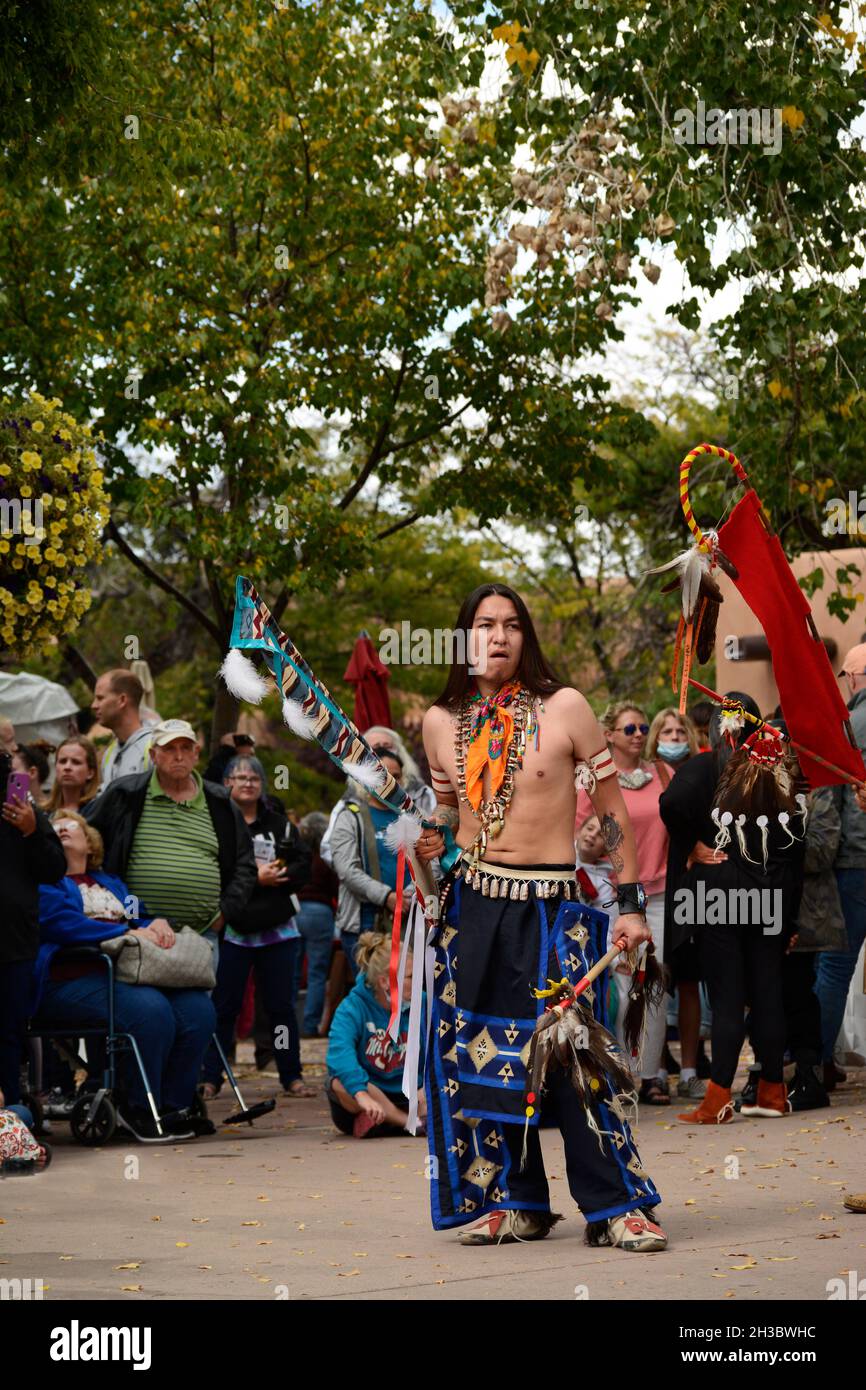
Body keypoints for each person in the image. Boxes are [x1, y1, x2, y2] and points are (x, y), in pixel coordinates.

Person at [420, 582, 666, 1251]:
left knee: (577, 1061)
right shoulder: (439, 721)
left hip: (552, 908)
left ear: (526, 637)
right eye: (483, 624)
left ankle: (618, 1205)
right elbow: (445, 817)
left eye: (511, 625)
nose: (498, 636)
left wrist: (632, 904)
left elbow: (613, 812)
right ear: (463, 636)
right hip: (470, 907)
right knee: (485, 1060)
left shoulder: (565, 708)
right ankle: (516, 1200)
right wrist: (423, 845)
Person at [659, 693, 806, 1124]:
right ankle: (773, 1093)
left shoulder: (703, 768)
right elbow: (797, 849)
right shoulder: (775, 775)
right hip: (769, 897)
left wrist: (692, 845)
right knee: (766, 992)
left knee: (726, 996)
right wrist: (791, 914)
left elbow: (670, 805)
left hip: (717, 895)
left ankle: (718, 1097)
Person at [35, 812, 215, 1141]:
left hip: (127, 974)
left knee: (197, 1010)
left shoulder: (112, 884)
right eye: (54, 826)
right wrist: (123, 930)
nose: (60, 827)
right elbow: (60, 923)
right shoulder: (48, 884)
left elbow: (138, 913)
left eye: (70, 825)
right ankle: (139, 1109)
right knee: (150, 1010)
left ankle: (173, 1107)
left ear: (89, 843)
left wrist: (154, 923)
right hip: (70, 978)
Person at [85, 719, 257, 974]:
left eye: (186, 748)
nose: (178, 756)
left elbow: (245, 864)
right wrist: (126, 913)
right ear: (153, 755)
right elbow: (87, 839)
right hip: (138, 931)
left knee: (197, 1012)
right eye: (169, 749)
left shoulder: (219, 802)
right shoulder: (126, 793)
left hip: (201, 933)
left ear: (196, 754)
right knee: (145, 1010)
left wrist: (222, 914)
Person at [200, 755, 315, 1100]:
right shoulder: (216, 823)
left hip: (278, 931)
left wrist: (280, 875)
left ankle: (290, 1074)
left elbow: (303, 866)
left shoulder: (279, 824)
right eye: (239, 776)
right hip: (234, 931)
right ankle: (211, 1076)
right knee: (224, 1008)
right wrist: (254, 878)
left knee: (280, 1008)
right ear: (226, 784)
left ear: (262, 785)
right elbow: (213, 873)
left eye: (254, 778)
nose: (247, 782)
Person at [576, 702, 672, 1106]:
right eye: (628, 727)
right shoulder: (592, 781)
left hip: (661, 892)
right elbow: (579, 838)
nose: (637, 733)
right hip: (611, 895)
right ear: (609, 735)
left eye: (642, 726)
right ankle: (618, 1073)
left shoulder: (663, 774)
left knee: (652, 985)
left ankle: (649, 1074)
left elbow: (684, 820)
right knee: (618, 987)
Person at [0, 749, 66, 1111]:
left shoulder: (23, 812)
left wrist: (31, 831)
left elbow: (54, 869)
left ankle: (11, 1121)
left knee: (9, 1035)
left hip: (13, 946)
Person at [815, 642, 866, 1092]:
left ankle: (814, 1065)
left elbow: (827, 800)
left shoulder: (847, 727)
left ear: (854, 679)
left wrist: (820, 862)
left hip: (855, 863)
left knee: (835, 966)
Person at [326, 930, 425, 1137]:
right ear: (385, 982)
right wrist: (361, 1094)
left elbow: (440, 1051)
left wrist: (427, 1089)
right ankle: (409, 1123)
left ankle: (389, 1121)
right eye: (410, 977)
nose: (418, 982)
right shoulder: (352, 1007)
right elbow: (339, 1055)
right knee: (337, 1083)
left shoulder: (423, 1003)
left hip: (410, 1096)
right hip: (369, 1096)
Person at [330, 747, 413, 979]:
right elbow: (346, 869)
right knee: (372, 992)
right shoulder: (350, 816)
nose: (389, 780)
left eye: (395, 776)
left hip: (408, 921)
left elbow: (431, 863)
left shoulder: (413, 816)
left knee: (405, 993)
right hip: (364, 925)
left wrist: (408, 896)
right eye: (381, 773)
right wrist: (386, 896)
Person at [320, 724, 436, 867]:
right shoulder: (349, 801)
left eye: (387, 746)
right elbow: (329, 850)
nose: (382, 754)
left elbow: (437, 840)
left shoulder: (422, 793)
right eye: (375, 749)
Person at [295, 811, 339, 1037]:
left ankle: (289, 1023)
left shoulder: (295, 853)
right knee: (317, 973)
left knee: (292, 972)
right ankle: (310, 1026)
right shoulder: (326, 857)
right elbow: (336, 887)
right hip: (321, 913)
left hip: (294, 911)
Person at [90, 669, 156, 786]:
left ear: (122, 700)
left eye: (100, 698)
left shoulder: (155, 749)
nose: (94, 705)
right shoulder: (109, 754)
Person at [43, 736, 101, 815]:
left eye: (76, 762)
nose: (67, 767)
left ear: (90, 773)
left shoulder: (99, 811)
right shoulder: (45, 813)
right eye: (62, 761)